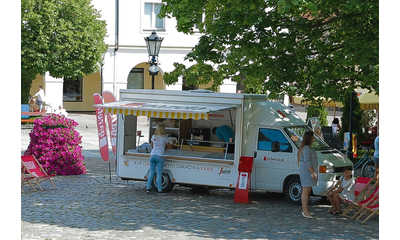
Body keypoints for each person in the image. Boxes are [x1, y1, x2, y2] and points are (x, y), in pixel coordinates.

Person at [147, 124, 175, 195]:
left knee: (152, 172)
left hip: (152, 155)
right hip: (160, 156)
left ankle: (148, 188)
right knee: (159, 173)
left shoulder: (153, 136)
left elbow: (152, 146)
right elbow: (170, 147)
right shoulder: (165, 138)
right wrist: (174, 143)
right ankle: (160, 190)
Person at [298, 131, 318, 219]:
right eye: (313, 137)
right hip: (306, 171)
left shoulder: (307, 148)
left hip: (307, 171)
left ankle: (305, 210)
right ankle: (305, 211)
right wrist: (312, 172)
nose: (314, 139)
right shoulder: (306, 148)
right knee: (306, 190)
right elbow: (307, 161)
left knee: (307, 190)